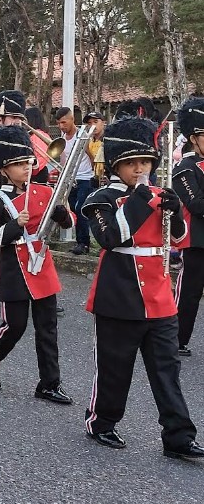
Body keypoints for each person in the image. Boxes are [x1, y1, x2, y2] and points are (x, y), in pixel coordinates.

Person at [80, 116, 204, 459]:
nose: (140, 169)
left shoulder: (160, 194)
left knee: (167, 369)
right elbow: (110, 237)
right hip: (119, 293)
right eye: (132, 163)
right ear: (118, 165)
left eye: (145, 162)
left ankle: (178, 435)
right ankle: (101, 421)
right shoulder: (100, 197)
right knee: (114, 366)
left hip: (160, 296)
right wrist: (141, 198)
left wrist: (175, 209)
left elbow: (178, 239)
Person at [0, 125, 74, 404]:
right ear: (4, 170)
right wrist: (14, 226)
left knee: (48, 327)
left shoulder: (44, 191)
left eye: (28, 162)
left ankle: (49, 383)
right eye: (18, 165)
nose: (26, 169)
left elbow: (67, 223)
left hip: (41, 265)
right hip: (14, 267)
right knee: (15, 325)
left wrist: (61, 214)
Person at [173, 97, 204, 356]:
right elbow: (195, 204)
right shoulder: (185, 167)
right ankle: (176, 338)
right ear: (194, 138)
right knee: (189, 293)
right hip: (195, 239)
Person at [56, 107, 93, 255]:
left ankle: (84, 243)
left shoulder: (82, 135)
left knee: (81, 209)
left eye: (64, 122)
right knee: (73, 210)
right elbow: (63, 159)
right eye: (58, 123)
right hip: (71, 180)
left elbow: (91, 155)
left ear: (72, 120)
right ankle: (79, 242)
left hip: (85, 178)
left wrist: (93, 174)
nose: (61, 126)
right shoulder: (63, 139)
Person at [24, 106, 51, 184]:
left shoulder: (37, 135)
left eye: (25, 119)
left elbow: (42, 157)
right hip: (37, 171)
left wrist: (32, 171)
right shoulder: (38, 134)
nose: (24, 122)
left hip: (37, 173)